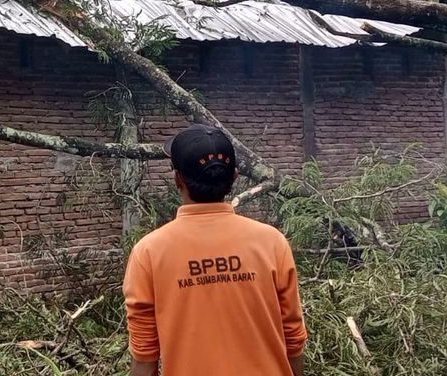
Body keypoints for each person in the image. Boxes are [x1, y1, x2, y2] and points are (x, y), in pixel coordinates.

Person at [123, 124, 308, 376]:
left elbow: (144, 360)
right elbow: (293, 340)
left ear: (178, 179)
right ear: (233, 178)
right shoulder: (271, 242)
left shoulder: (149, 253)